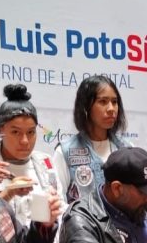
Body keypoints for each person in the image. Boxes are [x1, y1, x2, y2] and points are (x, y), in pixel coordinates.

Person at [0, 83, 64, 243]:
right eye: (16, 132)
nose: (25, 141)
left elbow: (61, 213)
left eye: (31, 132)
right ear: (0, 129)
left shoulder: (45, 162)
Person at [53, 75, 131, 205]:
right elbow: (58, 203)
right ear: (85, 106)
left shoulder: (127, 149)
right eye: (103, 101)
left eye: (114, 102)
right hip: (80, 218)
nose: (111, 109)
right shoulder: (65, 151)